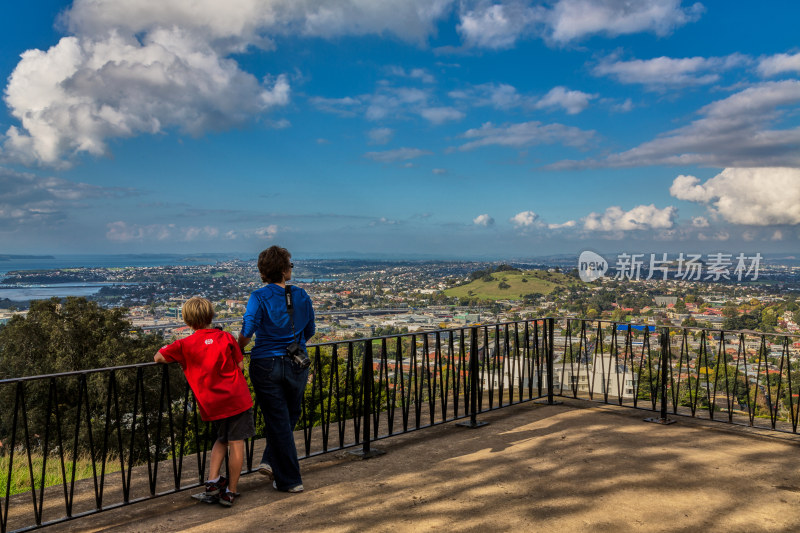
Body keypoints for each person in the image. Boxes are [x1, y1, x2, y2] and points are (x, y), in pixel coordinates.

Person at [154, 297, 254, 507]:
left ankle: (212, 481)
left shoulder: (184, 344)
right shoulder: (225, 337)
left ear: (187, 320)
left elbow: (159, 357)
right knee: (236, 443)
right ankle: (230, 491)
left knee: (221, 439)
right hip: (236, 398)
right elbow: (241, 365)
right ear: (211, 316)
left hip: (212, 402)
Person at [239, 246, 315, 493]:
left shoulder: (258, 297)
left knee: (280, 419)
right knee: (290, 414)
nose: (290, 269)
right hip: (296, 362)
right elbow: (310, 331)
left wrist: (237, 348)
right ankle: (286, 475)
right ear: (283, 270)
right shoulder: (302, 296)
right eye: (290, 266)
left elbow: (248, 330)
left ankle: (285, 474)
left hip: (265, 363)